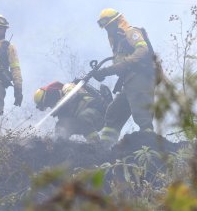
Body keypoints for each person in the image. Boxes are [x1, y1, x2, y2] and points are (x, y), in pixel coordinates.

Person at [92, 8, 156, 147]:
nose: (108, 30)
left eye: (109, 26)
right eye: (106, 28)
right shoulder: (118, 42)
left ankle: (149, 148)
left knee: (142, 115)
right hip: (128, 82)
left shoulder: (131, 32)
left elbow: (142, 49)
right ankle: (105, 147)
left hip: (140, 78)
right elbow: (119, 65)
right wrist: (103, 72)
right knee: (113, 112)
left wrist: (126, 62)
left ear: (117, 23)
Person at [33, 81, 112, 142]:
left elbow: (72, 95)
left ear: (50, 94)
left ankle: (97, 145)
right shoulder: (61, 110)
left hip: (96, 111)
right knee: (61, 125)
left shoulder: (66, 87)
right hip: (86, 123)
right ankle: (60, 148)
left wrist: (58, 106)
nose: (50, 105)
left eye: (48, 102)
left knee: (83, 116)